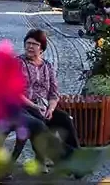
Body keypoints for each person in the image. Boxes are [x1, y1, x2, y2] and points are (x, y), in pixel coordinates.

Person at [13, 29, 78, 166]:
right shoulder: (18, 63)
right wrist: (35, 106)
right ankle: (67, 160)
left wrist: (51, 109)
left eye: (34, 44)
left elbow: (54, 92)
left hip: (44, 107)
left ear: (41, 48)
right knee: (40, 122)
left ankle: (78, 158)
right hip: (24, 107)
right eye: (28, 43)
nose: (30, 47)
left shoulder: (47, 66)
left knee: (65, 119)